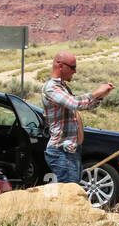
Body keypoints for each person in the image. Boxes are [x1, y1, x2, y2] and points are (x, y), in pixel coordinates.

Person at [41, 51, 114, 185]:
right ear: (60, 66)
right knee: (68, 194)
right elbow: (74, 103)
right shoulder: (51, 88)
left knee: (70, 192)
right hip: (61, 151)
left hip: (68, 151)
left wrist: (101, 96)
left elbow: (82, 104)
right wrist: (96, 92)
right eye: (72, 67)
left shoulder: (62, 87)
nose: (74, 72)